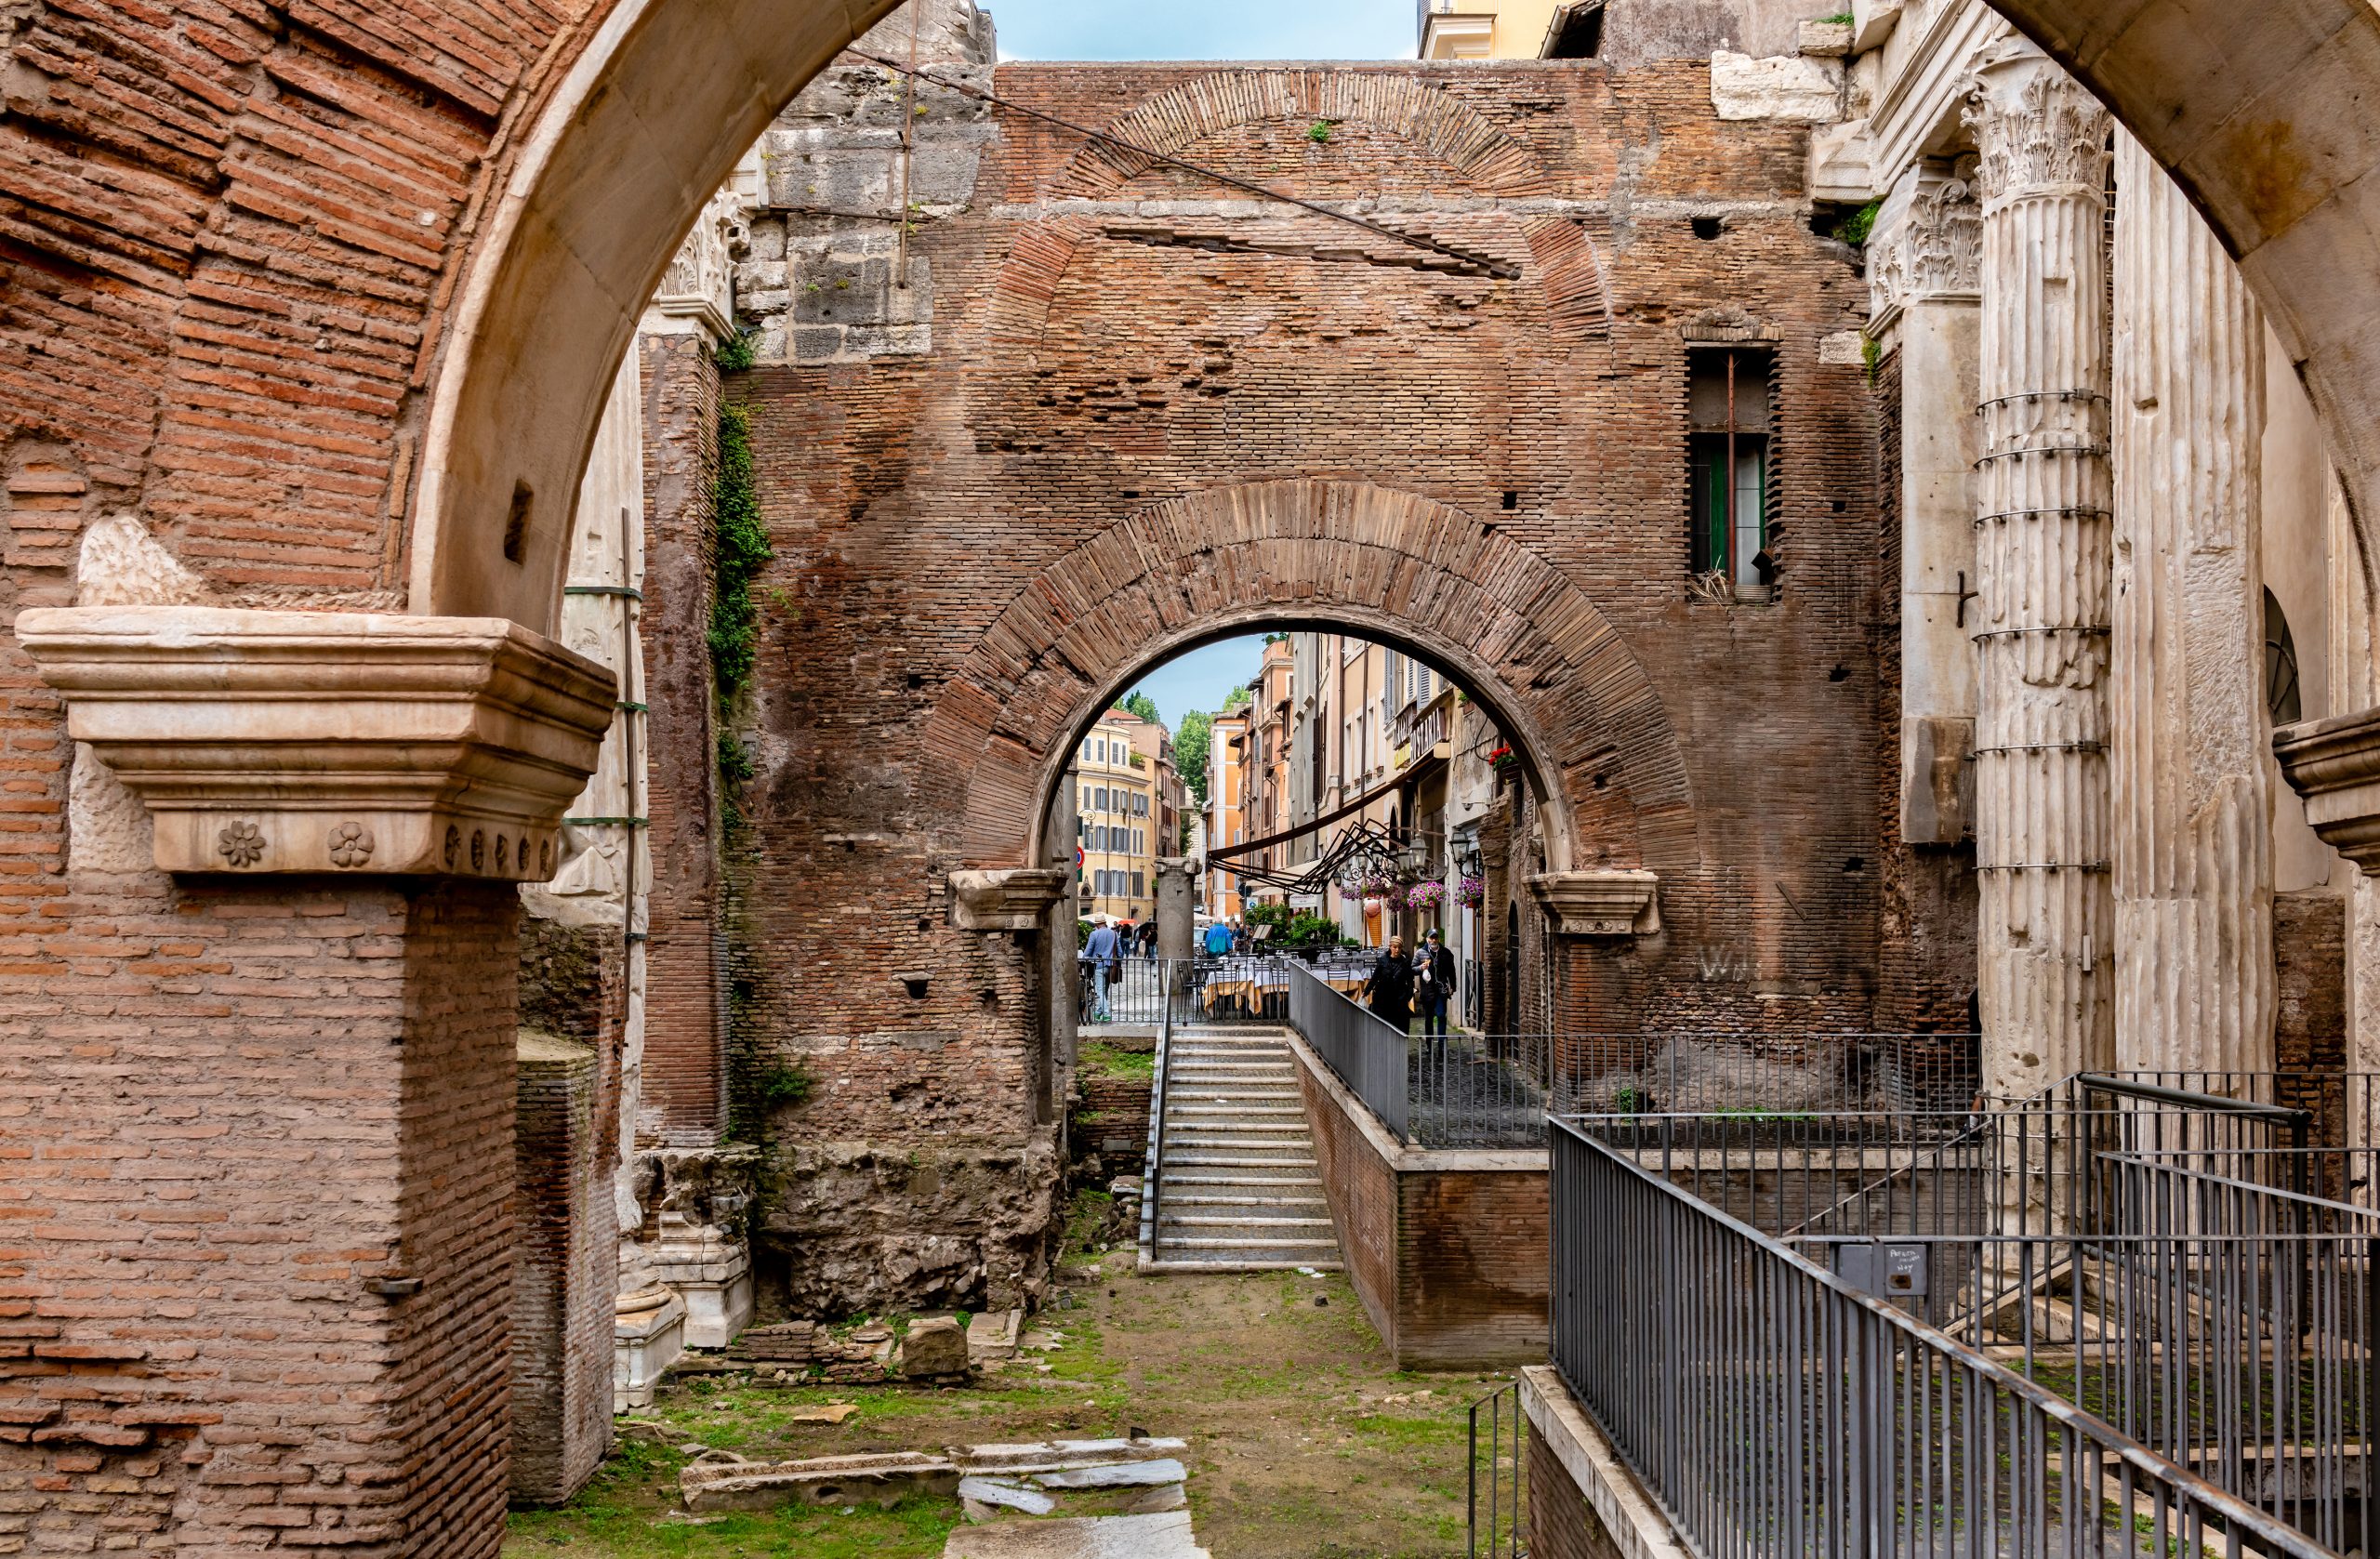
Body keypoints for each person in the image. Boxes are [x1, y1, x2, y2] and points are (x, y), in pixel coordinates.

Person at [1415, 928, 1457, 1054]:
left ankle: (1441, 1045)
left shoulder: (1446, 953)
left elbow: (1451, 971)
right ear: (1427, 939)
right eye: (1431, 937)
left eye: (1435, 937)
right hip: (1427, 990)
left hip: (1441, 990)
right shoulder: (1420, 953)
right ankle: (1429, 1045)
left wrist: (1453, 985)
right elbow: (1412, 968)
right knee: (1428, 1019)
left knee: (1440, 1015)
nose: (1433, 940)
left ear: (1438, 939)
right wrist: (1420, 967)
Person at [1364, 934, 1414, 1036]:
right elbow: (1375, 977)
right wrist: (1366, 991)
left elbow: (1410, 981)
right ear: (1390, 946)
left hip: (1399, 999)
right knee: (1384, 1026)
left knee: (1399, 1027)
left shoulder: (1405, 962)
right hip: (1383, 998)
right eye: (1395, 947)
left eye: (1399, 948)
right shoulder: (1383, 960)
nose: (1397, 950)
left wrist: (1408, 997)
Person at [1081, 918, 1122, 1023]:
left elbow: (1087, 952)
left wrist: (1085, 958)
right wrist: (1118, 962)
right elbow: (1120, 952)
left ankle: (1107, 1014)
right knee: (1105, 991)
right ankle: (1099, 1012)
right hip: (1111, 966)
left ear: (1097, 924)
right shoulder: (1114, 933)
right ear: (1104, 923)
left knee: (1100, 991)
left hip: (1099, 965)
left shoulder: (1094, 934)